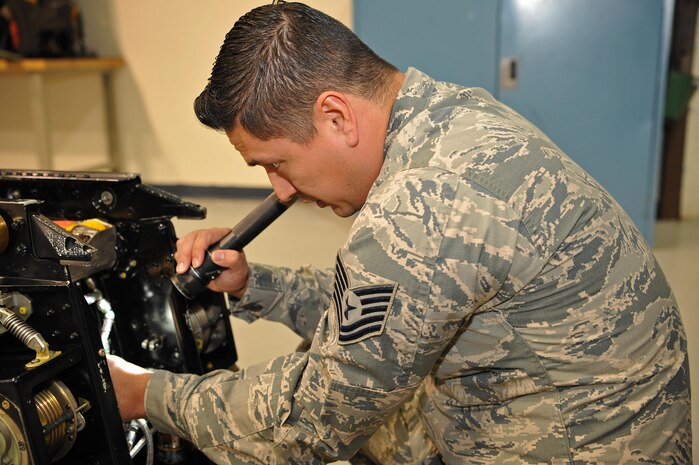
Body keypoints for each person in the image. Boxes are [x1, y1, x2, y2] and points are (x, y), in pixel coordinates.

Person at [107, 2, 692, 464]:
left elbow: (307, 425)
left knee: (307, 409)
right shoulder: (450, 114)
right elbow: (386, 310)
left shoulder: (422, 204)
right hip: (592, 408)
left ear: (336, 117)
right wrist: (252, 284)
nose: (279, 190)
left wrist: (145, 394)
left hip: (583, 444)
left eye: (276, 163)